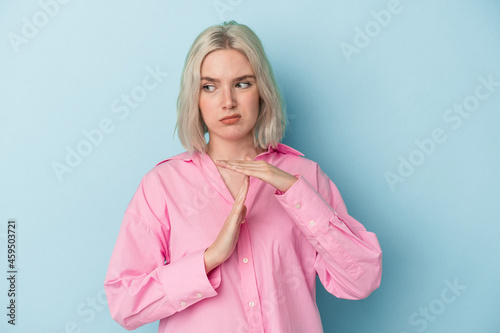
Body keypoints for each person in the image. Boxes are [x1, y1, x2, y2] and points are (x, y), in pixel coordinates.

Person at [104, 21, 382, 333]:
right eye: (210, 86)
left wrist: (295, 193)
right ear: (194, 97)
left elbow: (361, 280)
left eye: (242, 84)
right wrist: (208, 260)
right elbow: (125, 304)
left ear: (262, 90)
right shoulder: (162, 185)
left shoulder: (305, 177)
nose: (228, 102)